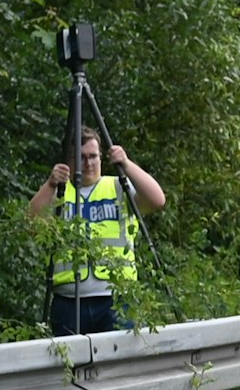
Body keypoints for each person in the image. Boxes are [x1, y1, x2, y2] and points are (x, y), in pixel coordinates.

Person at [26, 125, 165, 335]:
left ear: (101, 157)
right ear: (70, 160)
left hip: (117, 298)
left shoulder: (119, 187)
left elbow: (157, 199)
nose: (88, 163)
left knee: (120, 365)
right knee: (73, 367)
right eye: (81, 157)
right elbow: (31, 225)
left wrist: (126, 164)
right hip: (68, 301)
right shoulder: (59, 193)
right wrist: (50, 183)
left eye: (93, 156)